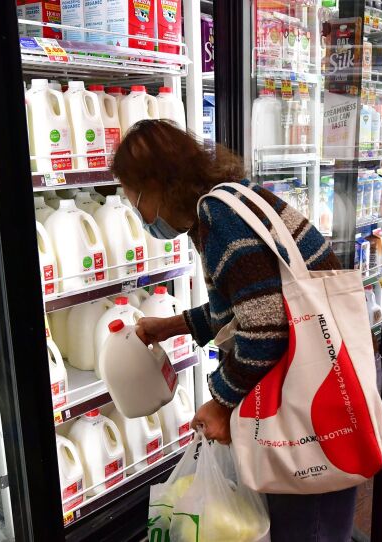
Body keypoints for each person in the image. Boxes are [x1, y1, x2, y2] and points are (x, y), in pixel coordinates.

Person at [110, 119, 357, 541]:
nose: (138, 211)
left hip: (306, 399)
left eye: (133, 197)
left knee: (309, 520)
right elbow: (246, 306)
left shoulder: (217, 215)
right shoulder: (230, 199)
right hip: (321, 380)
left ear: (155, 184)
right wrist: (170, 326)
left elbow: (264, 331)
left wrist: (220, 404)